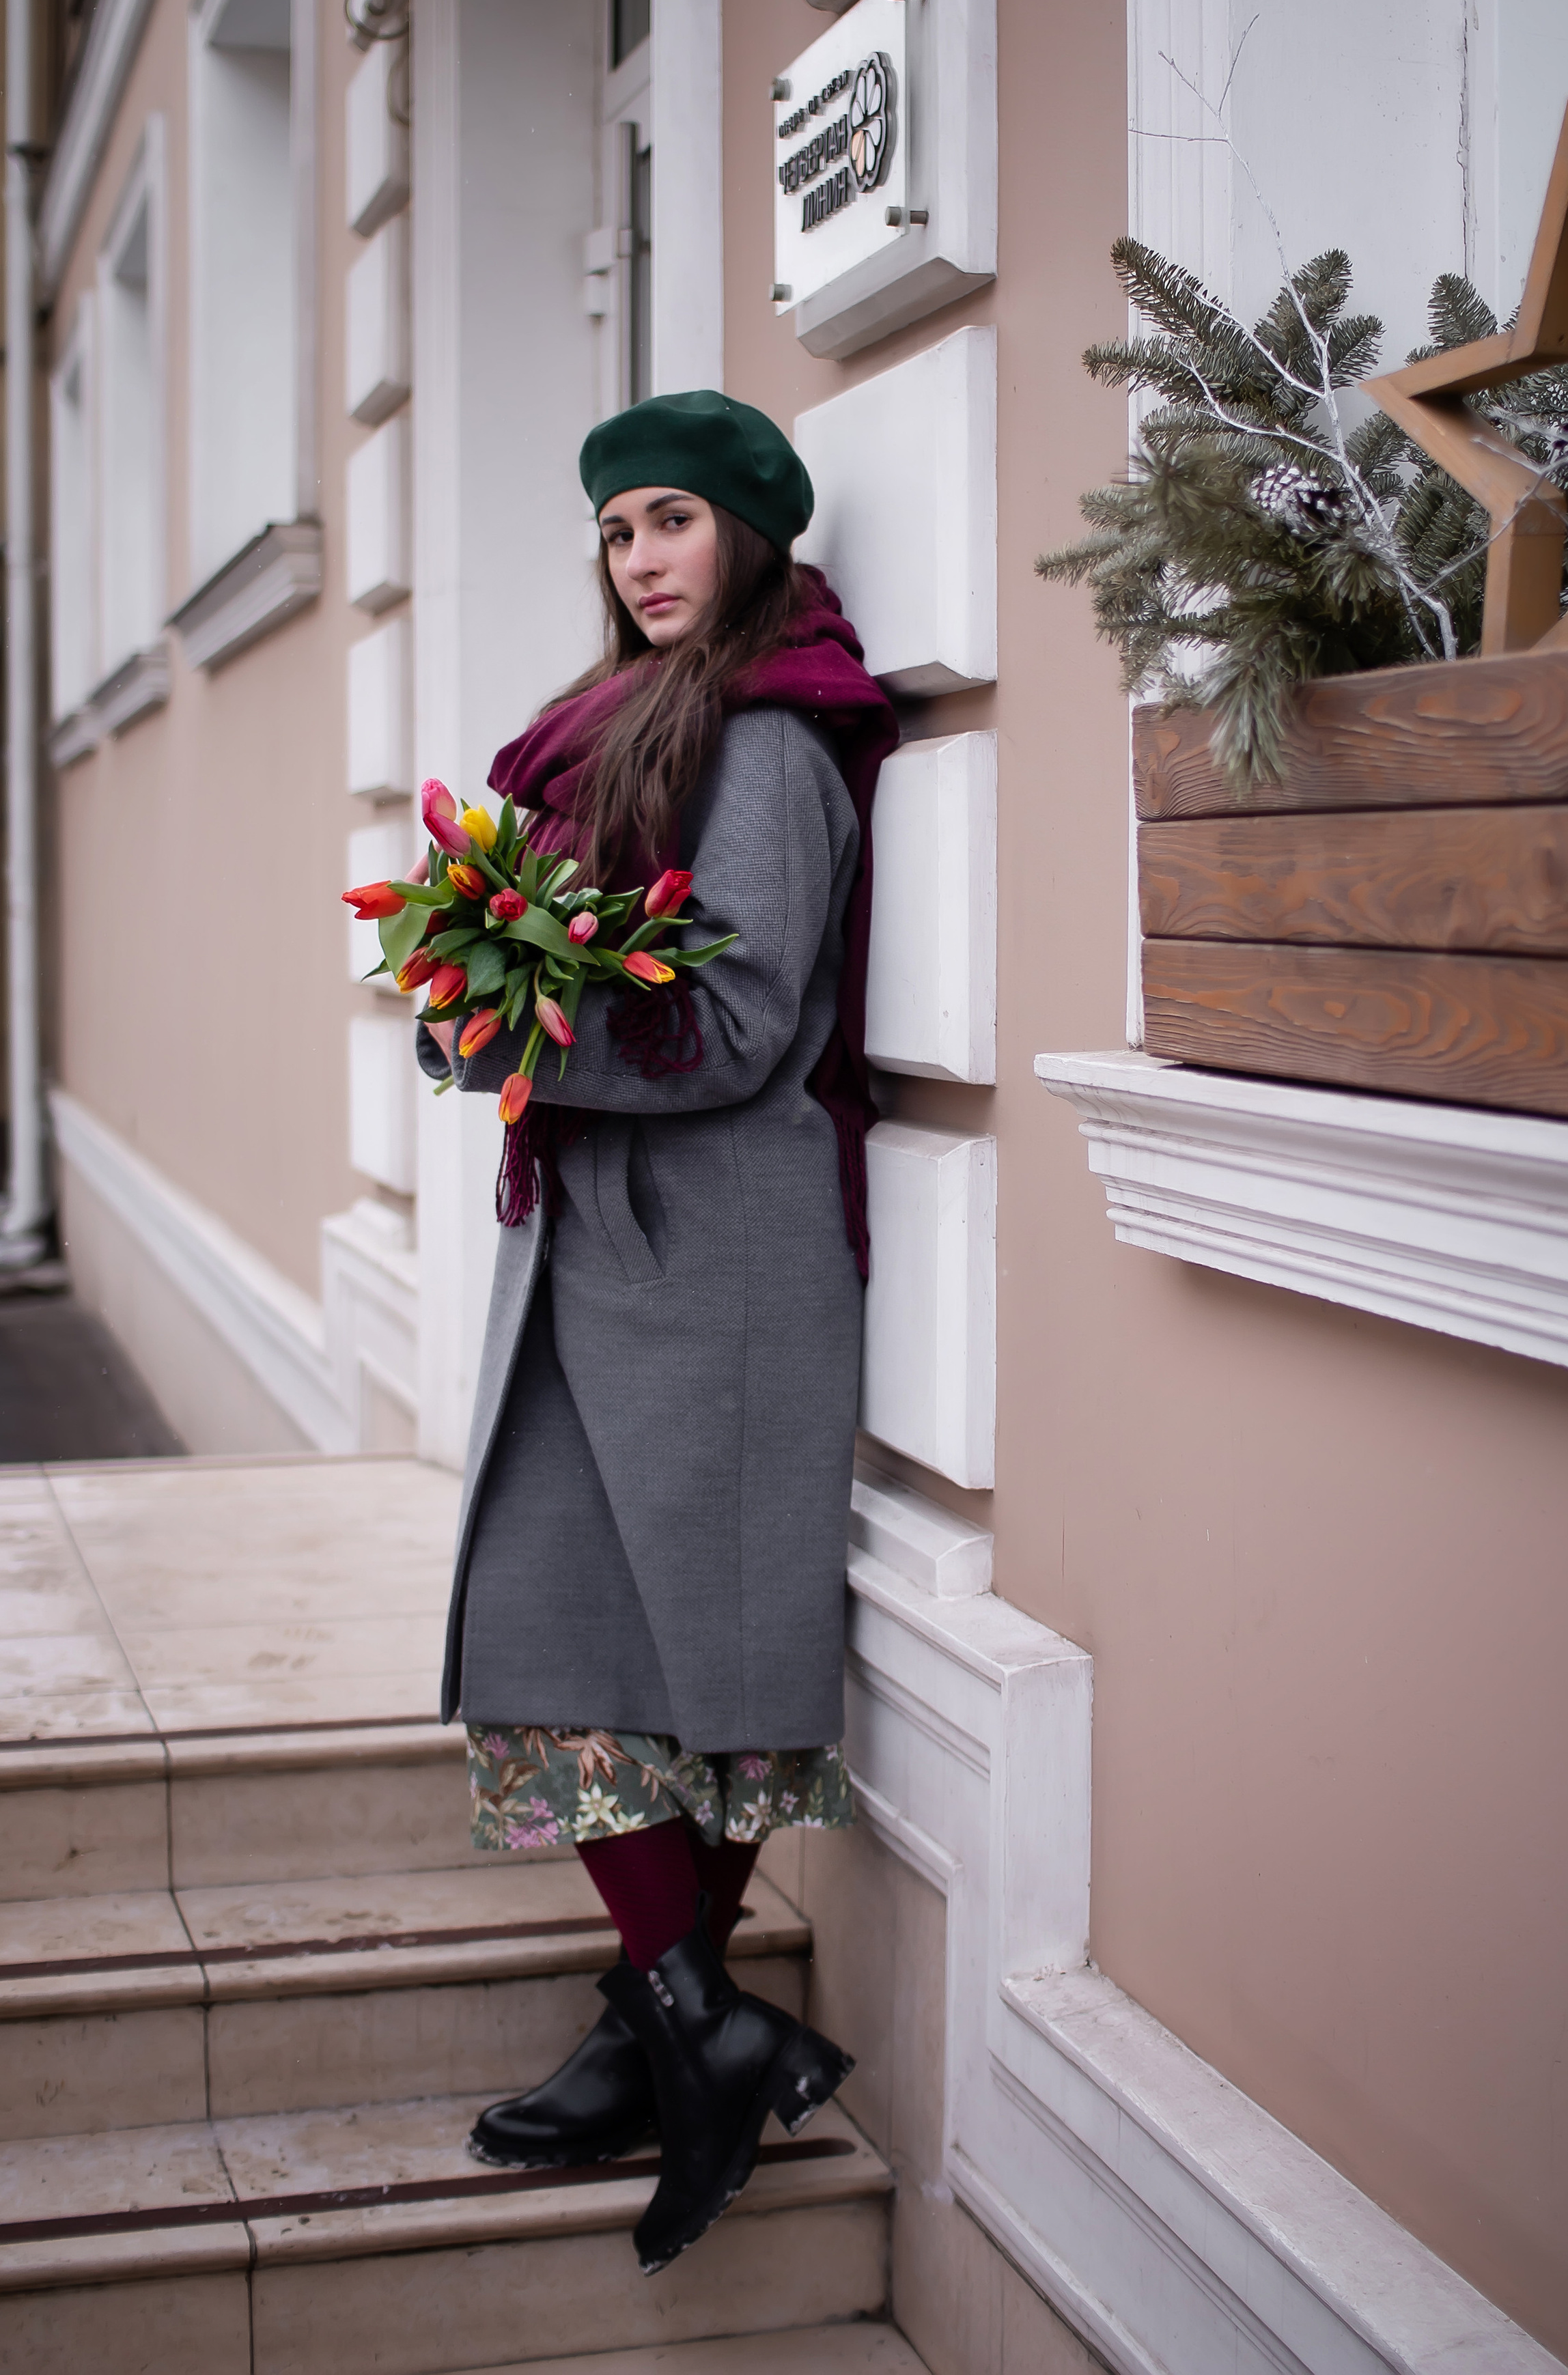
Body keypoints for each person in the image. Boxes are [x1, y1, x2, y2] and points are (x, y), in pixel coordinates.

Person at [417, 389, 898, 2276]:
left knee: (681, 1651)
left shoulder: (770, 745)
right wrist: (475, 993)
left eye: (679, 521)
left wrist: (529, 1031)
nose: (646, 559)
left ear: (756, 536)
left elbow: (753, 1010)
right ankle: (693, 2021)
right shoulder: (615, 727)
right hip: (609, 1237)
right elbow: (587, 963)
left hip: (720, 1261)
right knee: (566, 1630)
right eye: (622, 532)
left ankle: (673, 2029)